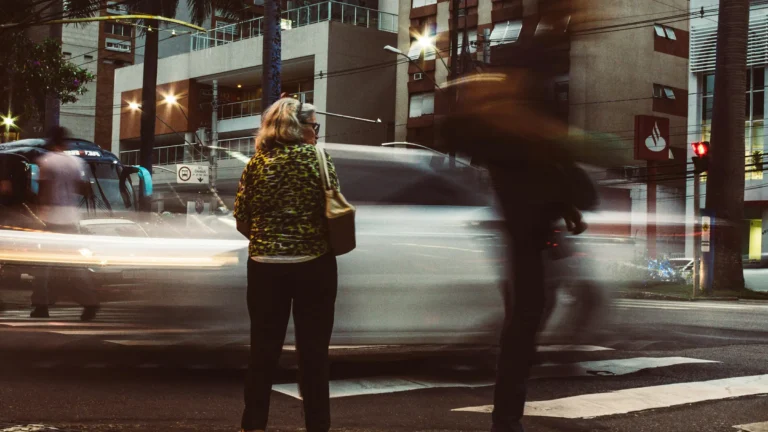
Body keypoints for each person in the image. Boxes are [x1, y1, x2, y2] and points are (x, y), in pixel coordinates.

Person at [438, 69, 597, 432]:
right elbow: (456, 132)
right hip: (526, 243)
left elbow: (573, 187)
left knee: (527, 324)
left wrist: (566, 205)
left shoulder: (519, 132)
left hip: (539, 239)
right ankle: (507, 418)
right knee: (522, 328)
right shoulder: (501, 133)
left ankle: (508, 415)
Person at [234, 97, 340, 432]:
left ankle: (253, 425)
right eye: (313, 126)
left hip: (265, 267)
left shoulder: (256, 164)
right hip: (315, 266)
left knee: (262, 353)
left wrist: (270, 238)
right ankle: (317, 426)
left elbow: (242, 219)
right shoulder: (317, 159)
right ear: (300, 127)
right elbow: (333, 210)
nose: (316, 132)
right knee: (313, 354)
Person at [29, 126, 100, 321]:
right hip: (71, 221)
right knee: (74, 266)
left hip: (51, 220)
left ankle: (41, 306)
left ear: (51, 141)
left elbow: (43, 193)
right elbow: (84, 190)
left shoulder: (46, 161)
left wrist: (38, 215)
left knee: (42, 267)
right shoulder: (77, 163)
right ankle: (90, 302)